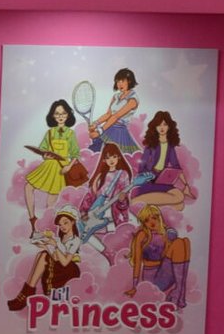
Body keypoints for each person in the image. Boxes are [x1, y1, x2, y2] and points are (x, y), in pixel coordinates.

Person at [7, 210, 82, 311]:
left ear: (73, 222)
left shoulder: (75, 240)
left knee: (43, 256)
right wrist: (44, 244)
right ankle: (25, 293)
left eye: (65, 222)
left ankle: (26, 293)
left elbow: (64, 262)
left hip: (68, 269)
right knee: (41, 254)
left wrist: (54, 245)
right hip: (58, 262)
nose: (63, 226)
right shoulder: (61, 237)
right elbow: (55, 256)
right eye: (60, 225)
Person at [23, 100, 81, 230]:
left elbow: (76, 154)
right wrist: (45, 156)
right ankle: (32, 219)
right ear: (53, 116)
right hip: (48, 166)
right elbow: (43, 150)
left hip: (61, 169)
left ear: (68, 115)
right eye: (57, 114)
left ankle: (47, 226)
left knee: (51, 202)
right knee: (28, 187)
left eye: (63, 113)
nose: (60, 116)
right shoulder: (49, 133)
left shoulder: (70, 133)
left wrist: (68, 167)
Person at [76, 142, 134, 261]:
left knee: (116, 235)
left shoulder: (122, 174)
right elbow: (90, 195)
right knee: (82, 230)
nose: (111, 160)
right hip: (97, 210)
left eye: (114, 156)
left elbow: (125, 199)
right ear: (104, 160)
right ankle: (106, 253)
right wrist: (84, 211)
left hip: (114, 211)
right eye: (107, 157)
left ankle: (117, 255)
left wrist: (122, 201)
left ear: (119, 157)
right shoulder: (100, 175)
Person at [130, 110, 191, 218]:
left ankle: (148, 205)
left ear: (169, 127)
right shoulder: (151, 145)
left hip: (163, 182)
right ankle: (136, 201)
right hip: (149, 181)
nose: (162, 127)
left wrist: (186, 185)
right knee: (179, 199)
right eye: (159, 125)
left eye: (165, 124)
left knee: (180, 206)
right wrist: (146, 176)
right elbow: (142, 167)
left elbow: (176, 167)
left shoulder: (170, 146)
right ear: (155, 127)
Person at [88, 68, 140, 154]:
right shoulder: (116, 96)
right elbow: (108, 114)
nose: (119, 84)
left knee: (113, 154)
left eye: (122, 81)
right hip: (108, 128)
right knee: (96, 150)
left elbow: (116, 116)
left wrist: (99, 131)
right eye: (118, 81)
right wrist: (95, 123)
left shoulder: (133, 99)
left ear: (129, 81)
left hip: (120, 133)